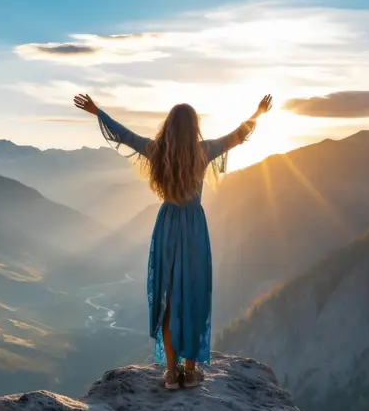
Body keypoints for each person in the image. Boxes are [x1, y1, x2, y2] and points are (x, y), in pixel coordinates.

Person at [74, 93, 273, 389]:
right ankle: (190, 372)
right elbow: (237, 136)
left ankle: (170, 372)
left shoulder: (157, 151)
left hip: (167, 226)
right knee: (192, 295)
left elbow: (123, 135)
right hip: (193, 228)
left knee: (168, 299)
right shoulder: (203, 151)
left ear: (168, 126)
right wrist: (258, 113)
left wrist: (97, 111)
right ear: (194, 128)